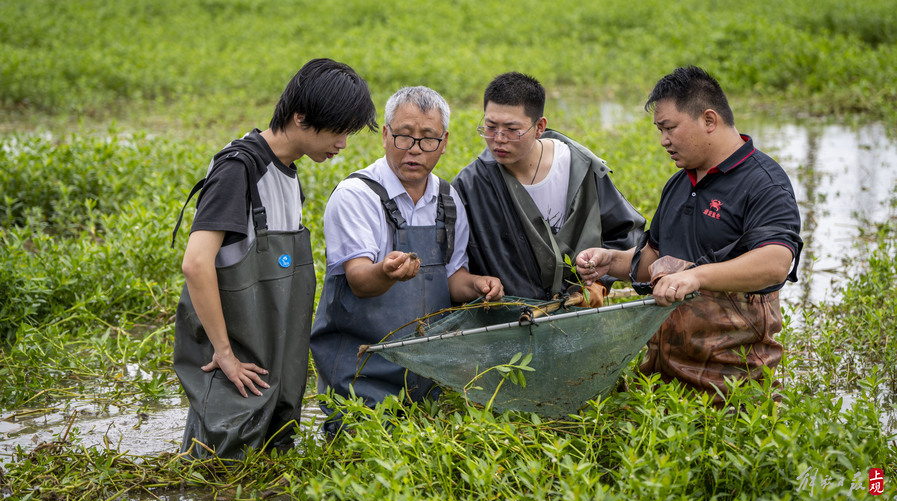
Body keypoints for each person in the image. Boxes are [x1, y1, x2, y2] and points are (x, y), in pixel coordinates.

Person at [172, 58, 378, 458]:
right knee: (220, 470)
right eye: (338, 131)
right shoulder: (239, 169)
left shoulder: (287, 172)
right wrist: (225, 355)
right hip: (236, 367)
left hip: (270, 368)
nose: (343, 144)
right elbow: (195, 263)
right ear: (301, 117)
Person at [576, 65, 803, 403]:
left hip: (734, 386)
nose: (664, 140)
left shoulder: (762, 182)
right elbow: (650, 262)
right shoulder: (680, 183)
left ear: (709, 120)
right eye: (659, 130)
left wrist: (697, 277)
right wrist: (610, 261)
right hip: (662, 381)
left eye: (669, 128)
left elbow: (774, 263)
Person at [310, 86, 503, 435]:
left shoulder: (448, 200)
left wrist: (476, 284)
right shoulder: (356, 195)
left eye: (427, 139)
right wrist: (386, 272)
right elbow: (358, 280)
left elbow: (451, 277)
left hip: (429, 374)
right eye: (403, 136)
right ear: (385, 135)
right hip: (359, 373)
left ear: (444, 142)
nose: (414, 150)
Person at [452, 72, 645, 301]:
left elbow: (624, 233)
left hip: (578, 318)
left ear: (539, 127)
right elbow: (455, 265)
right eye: (491, 127)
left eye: (512, 130)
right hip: (510, 322)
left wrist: (598, 283)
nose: (499, 139)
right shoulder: (470, 186)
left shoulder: (578, 167)